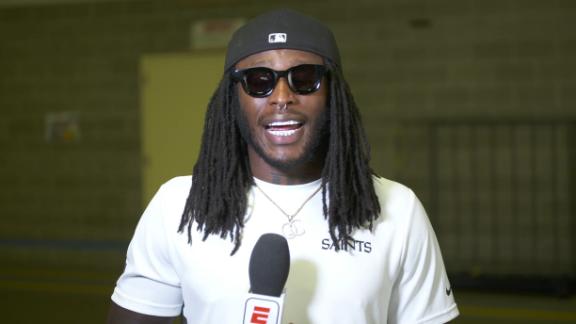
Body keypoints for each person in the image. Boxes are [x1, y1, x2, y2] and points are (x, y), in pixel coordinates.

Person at [107, 8, 459, 324]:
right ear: (234, 99)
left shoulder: (398, 208)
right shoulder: (178, 205)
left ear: (333, 94)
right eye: (258, 81)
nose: (281, 97)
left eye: (304, 79)